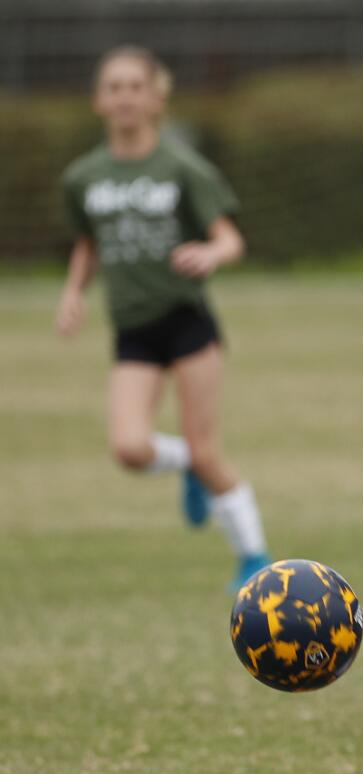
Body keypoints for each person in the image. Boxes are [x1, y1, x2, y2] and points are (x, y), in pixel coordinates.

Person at [57, 46, 270, 589]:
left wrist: (211, 254)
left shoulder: (182, 168)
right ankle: (188, 471)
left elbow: (231, 239)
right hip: (132, 329)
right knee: (129, 448)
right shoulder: (84, 177)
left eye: (135, 86)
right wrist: (73, 290)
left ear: (156, 98)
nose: (124, 96)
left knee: (208, 449)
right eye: (114, 86)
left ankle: (254, 558)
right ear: (98, 99)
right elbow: (88, 242)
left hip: (187, 323)